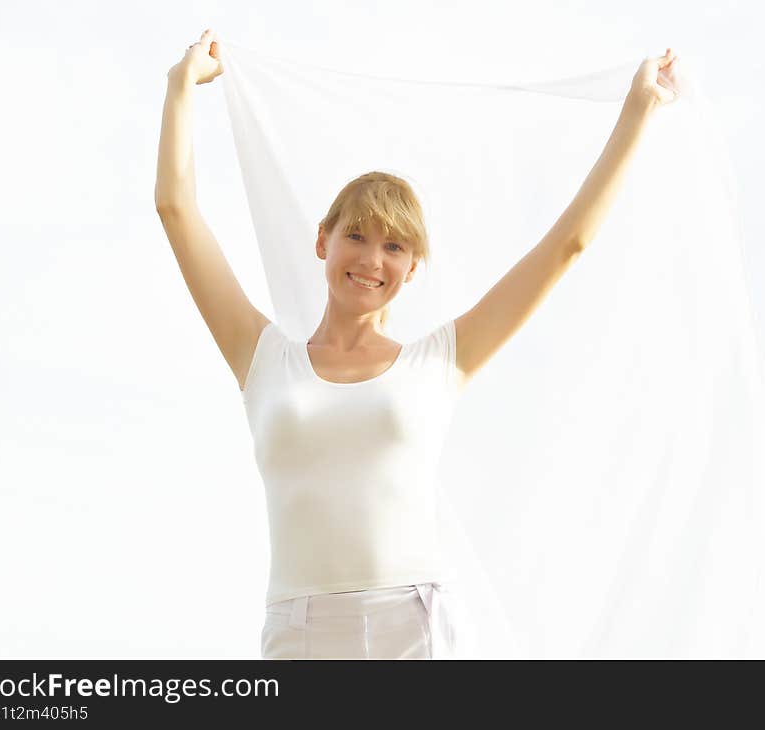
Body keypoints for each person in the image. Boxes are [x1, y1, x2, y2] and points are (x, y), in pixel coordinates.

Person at [155, 29, 679, 659]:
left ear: (412, 267)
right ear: (323, 241)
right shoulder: (262, 357)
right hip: (298, 631)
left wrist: (638, 111)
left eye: (395, 245)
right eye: (357, 235)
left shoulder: (438, 362)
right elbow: (175, 208)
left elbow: (566, 244)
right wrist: (179, 88)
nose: (372, 258)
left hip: (413, 626)